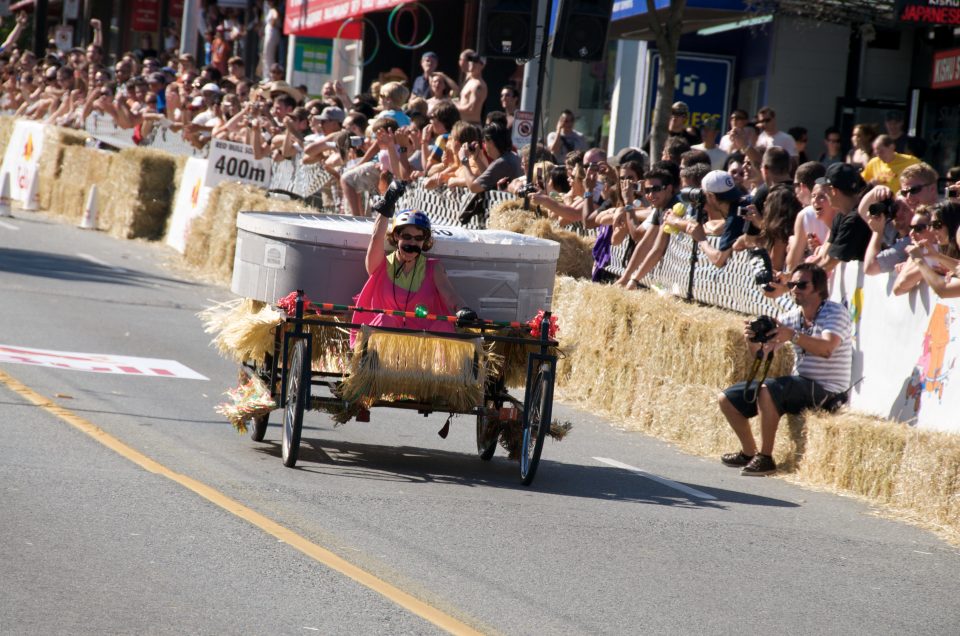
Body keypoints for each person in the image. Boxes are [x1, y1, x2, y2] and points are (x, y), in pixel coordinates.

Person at [718, 263, 852, 476]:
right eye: (791, 284)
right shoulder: (792, 317)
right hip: (800, 385)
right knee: (727, 399)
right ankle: (749, 452)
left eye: (801, 285)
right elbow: (761, 355)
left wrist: (793, 336)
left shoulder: (835, 312)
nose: (795, 289)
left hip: (828, 390)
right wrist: (752, 340)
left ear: (818, 288)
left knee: (768, 390)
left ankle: (766, 458)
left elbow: (827, 349)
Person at [355, 192, 475, 339]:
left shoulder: (433, 268)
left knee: (443, 326)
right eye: (407, 237)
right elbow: (376, 238)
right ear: (396, 236)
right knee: (384, 320)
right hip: (387, 340)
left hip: (421, 341)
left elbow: (450, 295)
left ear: (424, 241)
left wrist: (463, 310)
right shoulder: (381, 265)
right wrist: (386, 207)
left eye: (418, 238)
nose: (412, 243)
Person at [813, 162, 869, 271]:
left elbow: (829, 263)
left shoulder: (855, 220)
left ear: (833, 191)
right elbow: (824, 256)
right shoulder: (840, 215)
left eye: (825, 189)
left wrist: (794, 283)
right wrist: (792, 276)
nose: (825, 193)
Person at [457, 52, 487, 125]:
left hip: (472, 126)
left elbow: (471, 109)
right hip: (463, 124)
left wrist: (454, 106)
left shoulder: (478, 85)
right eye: (470, 60)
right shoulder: (469, 81)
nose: (471, 63)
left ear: (482, 65)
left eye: (475, 61)